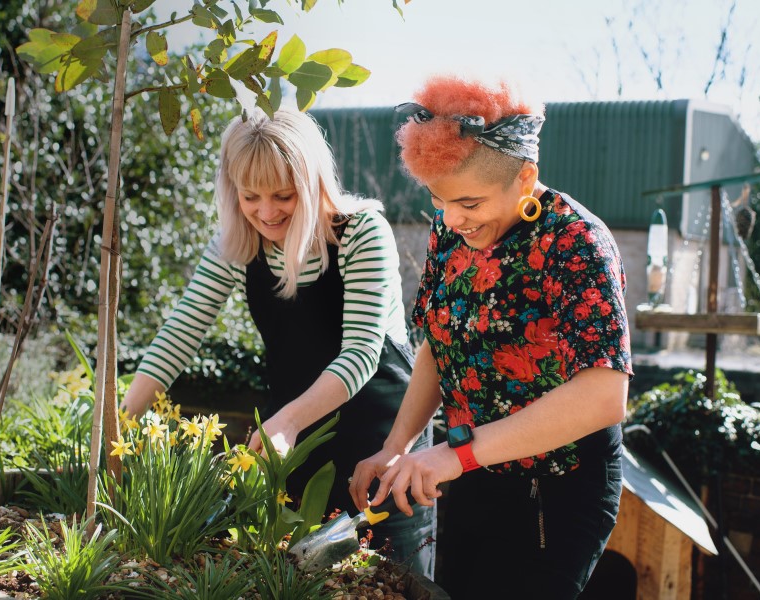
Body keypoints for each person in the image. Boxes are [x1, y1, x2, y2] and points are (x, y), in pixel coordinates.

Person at [349, 75, 632, 599]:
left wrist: (455, 456)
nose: (452, 218)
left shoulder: (577, 242)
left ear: (525, 179)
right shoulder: (450, 229)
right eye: (438, 199)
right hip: (474, 471)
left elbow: (603, 395)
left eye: (470, 203)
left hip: (558, 487)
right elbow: (439, 344)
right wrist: (396, 446)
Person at [121, 108, 435, 577]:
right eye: (250, 196)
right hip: (293, 443)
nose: (267, 213)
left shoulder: (360, 233)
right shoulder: (238, 244)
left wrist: (286, 420)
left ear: (312, 184)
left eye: (283, 196)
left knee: (389, 579)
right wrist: (122, 422)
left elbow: (362, 352)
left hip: (381, 443)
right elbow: (180, 333)